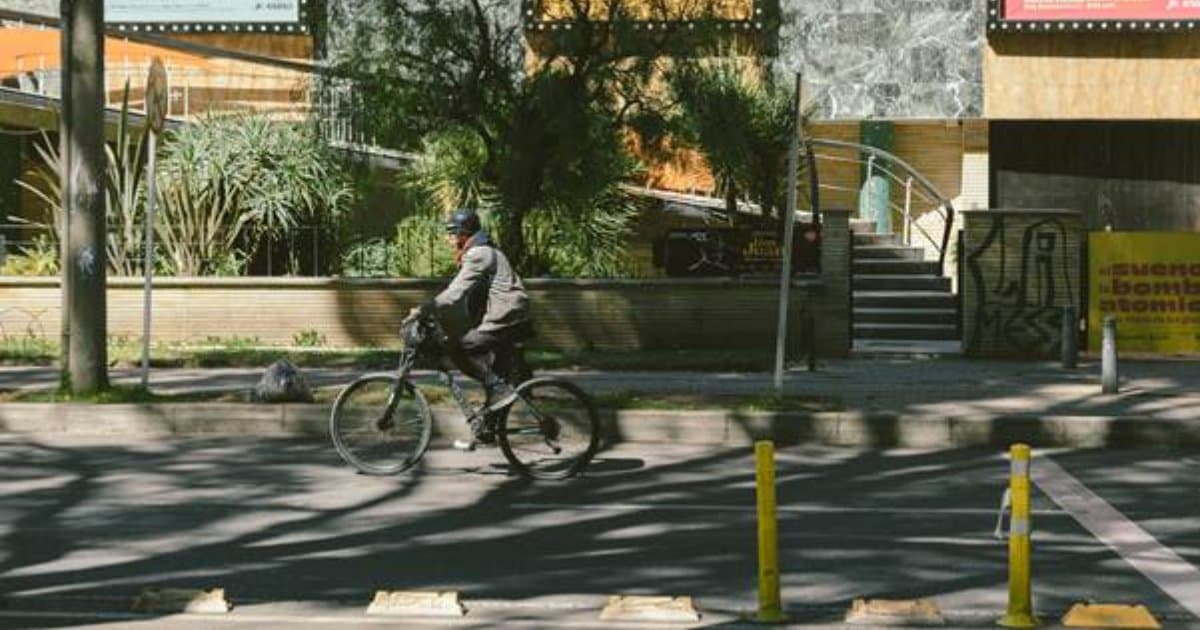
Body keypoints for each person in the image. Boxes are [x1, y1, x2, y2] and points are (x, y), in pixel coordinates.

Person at [412, 209, 534, 449]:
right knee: (495, 380)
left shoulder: (479, 253)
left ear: (463, 233)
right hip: (510, 318)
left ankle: (498, 389)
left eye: (451, 233)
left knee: (457, 348)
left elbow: (455, 294)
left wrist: (423, 310)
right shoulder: (484, 250)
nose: (447, 239)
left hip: (507, 319)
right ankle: (487, 431)